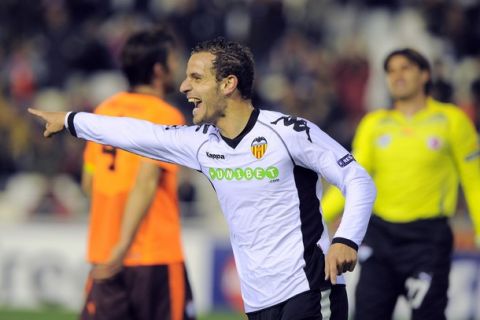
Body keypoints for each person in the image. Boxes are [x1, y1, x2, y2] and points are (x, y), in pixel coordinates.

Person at [29, 37, 376, 320]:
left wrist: (346, 238)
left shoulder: (288, 131)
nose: (183, 86)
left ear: (228, 84)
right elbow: (136, 133)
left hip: (311, 286)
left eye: (196, 78)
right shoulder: (201, 145)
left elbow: (357, 178)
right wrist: (72, 120)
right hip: (258, 300)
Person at [322, 48, 480, 320]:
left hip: (428, 240)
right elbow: (353, 180)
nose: (397, 75)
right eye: (391, 70)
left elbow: (473, 181)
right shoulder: (374, 124)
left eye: (405, 68)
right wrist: (317, 217)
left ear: (424, 75)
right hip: (380, 236)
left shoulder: (452, 121)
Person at [78, 27, 195, 320]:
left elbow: (88, 182)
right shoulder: (164, 115)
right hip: (152, 255)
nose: (178, 69)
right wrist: (124, 245)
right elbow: (146, 181)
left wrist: (113, 241)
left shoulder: (103, 110)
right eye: (174, 60)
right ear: (159, 69)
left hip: (104, 253)